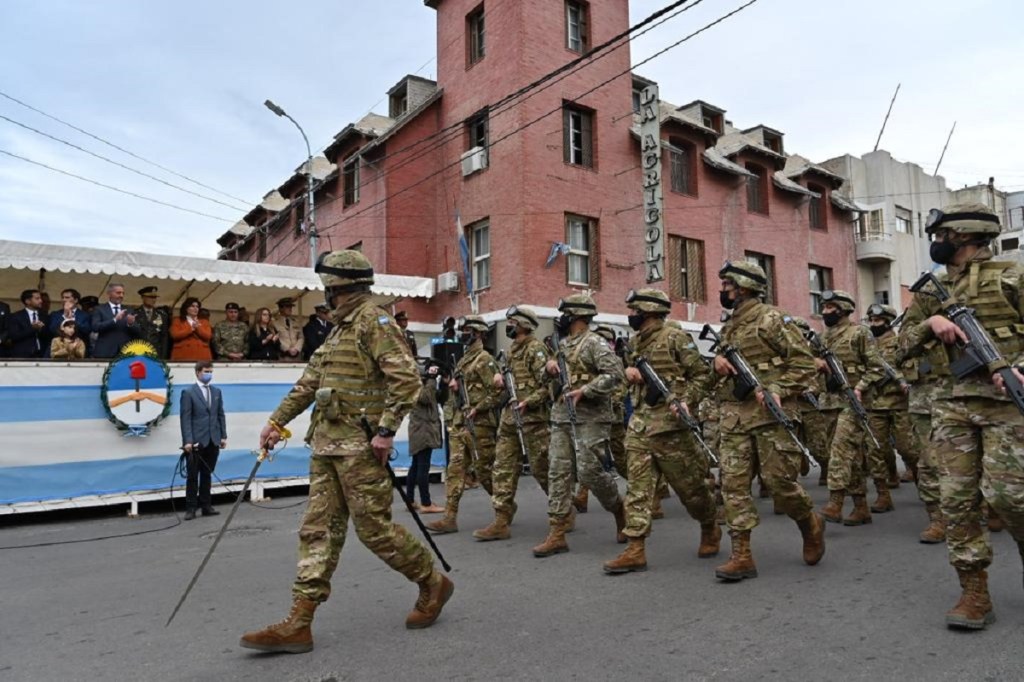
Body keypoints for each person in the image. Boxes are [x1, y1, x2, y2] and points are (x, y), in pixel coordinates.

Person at [239, 250, 453, 654]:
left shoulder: (375, 321)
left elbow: (407, 381)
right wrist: (276, 422)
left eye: (328, 288)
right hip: (326, 444)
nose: (326, 296)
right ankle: (299, 624)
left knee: (373, 532)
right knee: (317, 529)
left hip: (360, 446)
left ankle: (431, 582)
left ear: (339, 287)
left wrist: (386, 432)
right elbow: (308, 383)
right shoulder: (338, 330)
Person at [900, 202, 1024, 630]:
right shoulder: (931, 292)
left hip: (1009, 406)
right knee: (955, 502)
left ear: (965, 235)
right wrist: (930, 323)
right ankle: (975, 592)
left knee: (1012, 499)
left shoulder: (1013, 276)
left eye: (941, 236)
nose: (935, 244)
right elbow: (896, 349)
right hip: (953, 407)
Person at [712, 261, 825, 581]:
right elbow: (719, 367)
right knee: (733, 485)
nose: (722, 291)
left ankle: (809, 523)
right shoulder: (729, 326)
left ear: (743, 287)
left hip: (770, 415)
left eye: (726, 285)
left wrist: (777, 388)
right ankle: (742, 555)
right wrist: (717, 362)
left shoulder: (774, 319)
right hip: (735, 416)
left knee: (779, 484)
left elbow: (805, 365)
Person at [604, 289, 718, 574]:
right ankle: (635, 548)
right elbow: (630, 378)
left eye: (635, 310)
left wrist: (686, 401)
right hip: (641, 425)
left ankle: (709, 525)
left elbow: (702, 375)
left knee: (691, 490)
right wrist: (629, 375)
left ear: (649, 311)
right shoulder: (633, 343)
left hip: (671, 427)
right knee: (638, 490)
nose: (631, 315)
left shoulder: (675, 337)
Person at [532, 294, 627, 558]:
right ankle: (557, 532)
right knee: (558, 473)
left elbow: (615, 376)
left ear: (576, 316)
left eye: (565, 314)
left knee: (589, 472)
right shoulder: (562, 346)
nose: (561, 319)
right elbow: (545, 379)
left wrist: (586, 390)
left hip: (591, 418)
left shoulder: (595, 343)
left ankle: (619, 508)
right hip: (562, 416)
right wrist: (549, 368)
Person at [473, 305, 552, 541]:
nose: (508, 325)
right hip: (510, 420)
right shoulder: (509, 352)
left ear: (523, 325)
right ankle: (501, 520)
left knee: (542, 469)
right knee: (502, 469)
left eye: (512, 322)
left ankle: (563, 510)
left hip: (534, 421)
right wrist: (498, 379)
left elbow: (547, 386)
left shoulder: (536, 350)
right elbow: (507, 382)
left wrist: (530, 401)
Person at [815, 290, 887, 526]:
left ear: (843, 309)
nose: (825, 311)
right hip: (829, 402)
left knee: (840, 448)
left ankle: (835, 502)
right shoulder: (822, 338)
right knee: (849, 455)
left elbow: (876, 367)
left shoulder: (860, 333)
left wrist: (861, 386)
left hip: (853, 400)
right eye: (823, 307)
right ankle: (860, 505)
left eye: (830, 307)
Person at [425, 315, 502, 535]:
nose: (463, 333)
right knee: (455, 471)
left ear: (477, 333)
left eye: (467, 330)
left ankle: (503, 511)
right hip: (461, 423)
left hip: (480, 424)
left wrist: (479, 407)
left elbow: (499, 393)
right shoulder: (464, 359)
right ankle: (449, 518)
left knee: (485, 472)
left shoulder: (485, 359)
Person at [863, 303, 917, 514]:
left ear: (888, 322)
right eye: (872, 321)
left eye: (878, 321)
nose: (874, 324)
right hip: (874, 404)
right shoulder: (868, 345)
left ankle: (925, 486)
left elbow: (912, 365)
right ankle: (883, 493)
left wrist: (905, 380)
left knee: (907, 448)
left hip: (899, 403)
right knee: (876, 449)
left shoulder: (899, 343)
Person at [179, 361, 227, 520]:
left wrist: (223, 436)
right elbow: (185, 418)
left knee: (207, 474)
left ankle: (206, 505)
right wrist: (188, 441)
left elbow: (220, 415)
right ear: (198, 372)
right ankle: (191, 508)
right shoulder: (188, 392)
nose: (209, 374)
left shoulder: (216, 392)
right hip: (196, 442)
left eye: (211, 371)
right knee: (192, 476)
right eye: (207, 371)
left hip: (213, 440)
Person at [407, 360, 448, 514]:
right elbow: (425, 398)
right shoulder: (415, 385)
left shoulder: (420, 385)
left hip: (420, 429)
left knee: (416, 465)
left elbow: (436, 397)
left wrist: (443, 382)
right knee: (422, 467)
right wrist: (431, 378)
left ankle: (410, 500)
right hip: (423, 430)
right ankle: (426, 503)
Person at [91, 283, 140, 359]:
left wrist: (131, 324)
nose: (121, 296)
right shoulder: (99, 309)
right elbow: (95, 327)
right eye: (118, 293)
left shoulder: (129, 310)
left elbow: (138, 331)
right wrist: (114, 320)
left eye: (123, 293)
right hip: (105, 352)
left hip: (125, 352)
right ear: (109, 294)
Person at [47, 288, 91, 356]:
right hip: (58, 352)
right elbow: (52, 330)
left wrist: (72, 320)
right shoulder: (55, 314)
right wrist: (65, 315)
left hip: (78, 352)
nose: (64, 300)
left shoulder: (84, 315)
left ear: (76, 300)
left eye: (67, 297)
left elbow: (86, 330)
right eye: (62, 297)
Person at [8, 289, 50, 358]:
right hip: (22, 356)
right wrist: (32, 328)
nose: (41, 301)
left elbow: (49, 335)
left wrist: (41, 329)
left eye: (40, 298)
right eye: (37, 298)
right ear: (27, 301)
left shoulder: (45, 316)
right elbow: (13, 336)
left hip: (42, 355)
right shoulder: (16, 316)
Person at [134, 286, 170, 358]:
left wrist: (163, 356)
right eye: (150, 297)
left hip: (156, 353)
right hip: (138, 352)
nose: (153, 300)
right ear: (143, 297)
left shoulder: (161, 315)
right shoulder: (135, 314)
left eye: (155, 297)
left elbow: (164, 337)